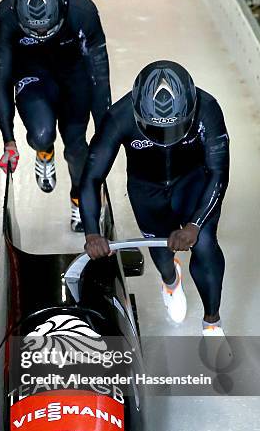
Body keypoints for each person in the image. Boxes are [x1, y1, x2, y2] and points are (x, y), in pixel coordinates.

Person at [79, 60, 229, 335]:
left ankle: (212, 322)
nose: (166, 138)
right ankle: (170, 279)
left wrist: (194, 225)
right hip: (146, 189)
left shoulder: (208, 110)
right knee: (162, 256)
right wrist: (92, 233)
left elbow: (218, 172)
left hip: (192, 182)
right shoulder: (118, 117)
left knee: (205, 243)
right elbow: (91, 177)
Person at [0, 0, 111, 231]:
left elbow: (99, 76)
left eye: (49, 28)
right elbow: (1, 79)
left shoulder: (82, 11)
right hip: (32, 74)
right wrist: (8, 140)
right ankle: (44, 150)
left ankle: (79, 199)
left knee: (77, 148)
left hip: (74, 75)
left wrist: (106, 133)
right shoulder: (5, 17)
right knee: (42, 132)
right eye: (36, 31)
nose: (43, 35)